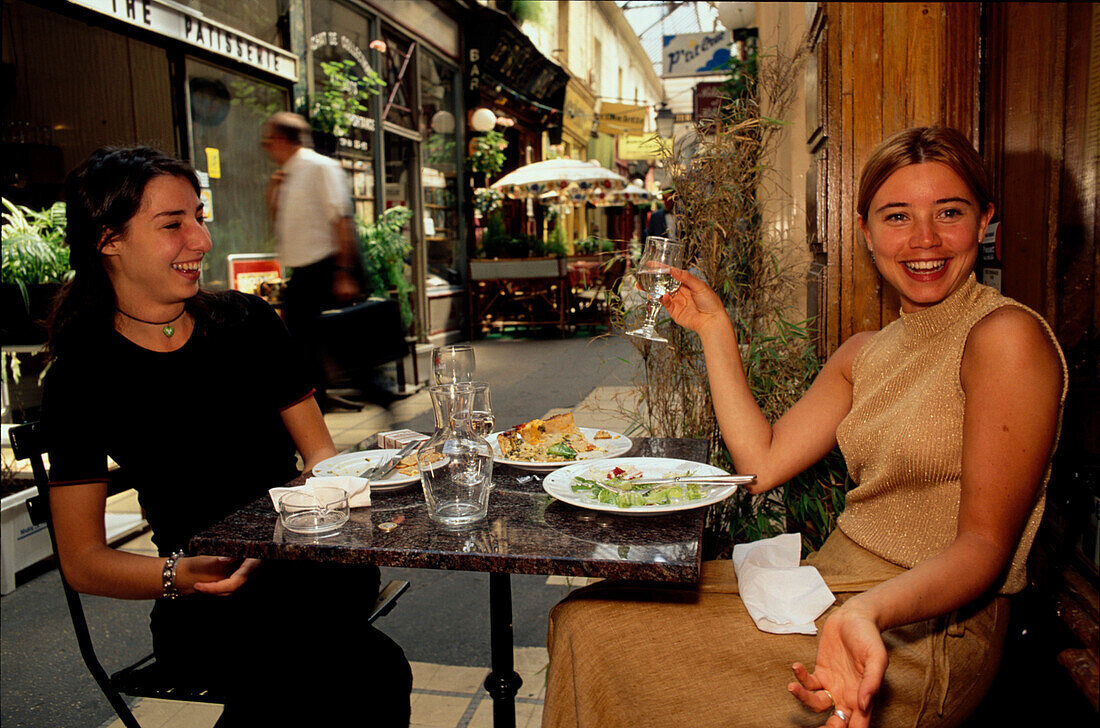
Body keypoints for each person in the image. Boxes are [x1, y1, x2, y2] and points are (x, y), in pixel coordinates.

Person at [541, 127, 1067, 728]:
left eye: (949, 212)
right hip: (830, 587)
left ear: (984, 221)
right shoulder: (866, 351)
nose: (925, 239)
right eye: (898, 217)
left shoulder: (1005, 337)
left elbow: (984, 549)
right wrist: (717, 332)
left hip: (924, 629)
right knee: (586, 615)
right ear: (866, 233)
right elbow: (760, 464)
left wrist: (864, 612)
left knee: (599, 633)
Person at [41, 146, 411, 727]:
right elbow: (83, 561)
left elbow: (320, 455)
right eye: (173, 224)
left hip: (314, 566)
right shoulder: (82, 375)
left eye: (199, 217)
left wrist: (328, 493)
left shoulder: (247, 322)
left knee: (344, 671)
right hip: (205, 599)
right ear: (109, 239)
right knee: (358, 672)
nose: (201, 240)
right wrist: (178, 576)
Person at [261, 111, 360, 409]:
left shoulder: (319, 167)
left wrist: (343, 272)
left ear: (281, 139)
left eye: (268, 142)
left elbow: (341, 218)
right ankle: (319, 404)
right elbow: (280, 221)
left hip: (324, 268)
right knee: (305, 347)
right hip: (302, 272)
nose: (267, 149)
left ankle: (333, 401)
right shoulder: (286, 175)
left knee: (318, 346)